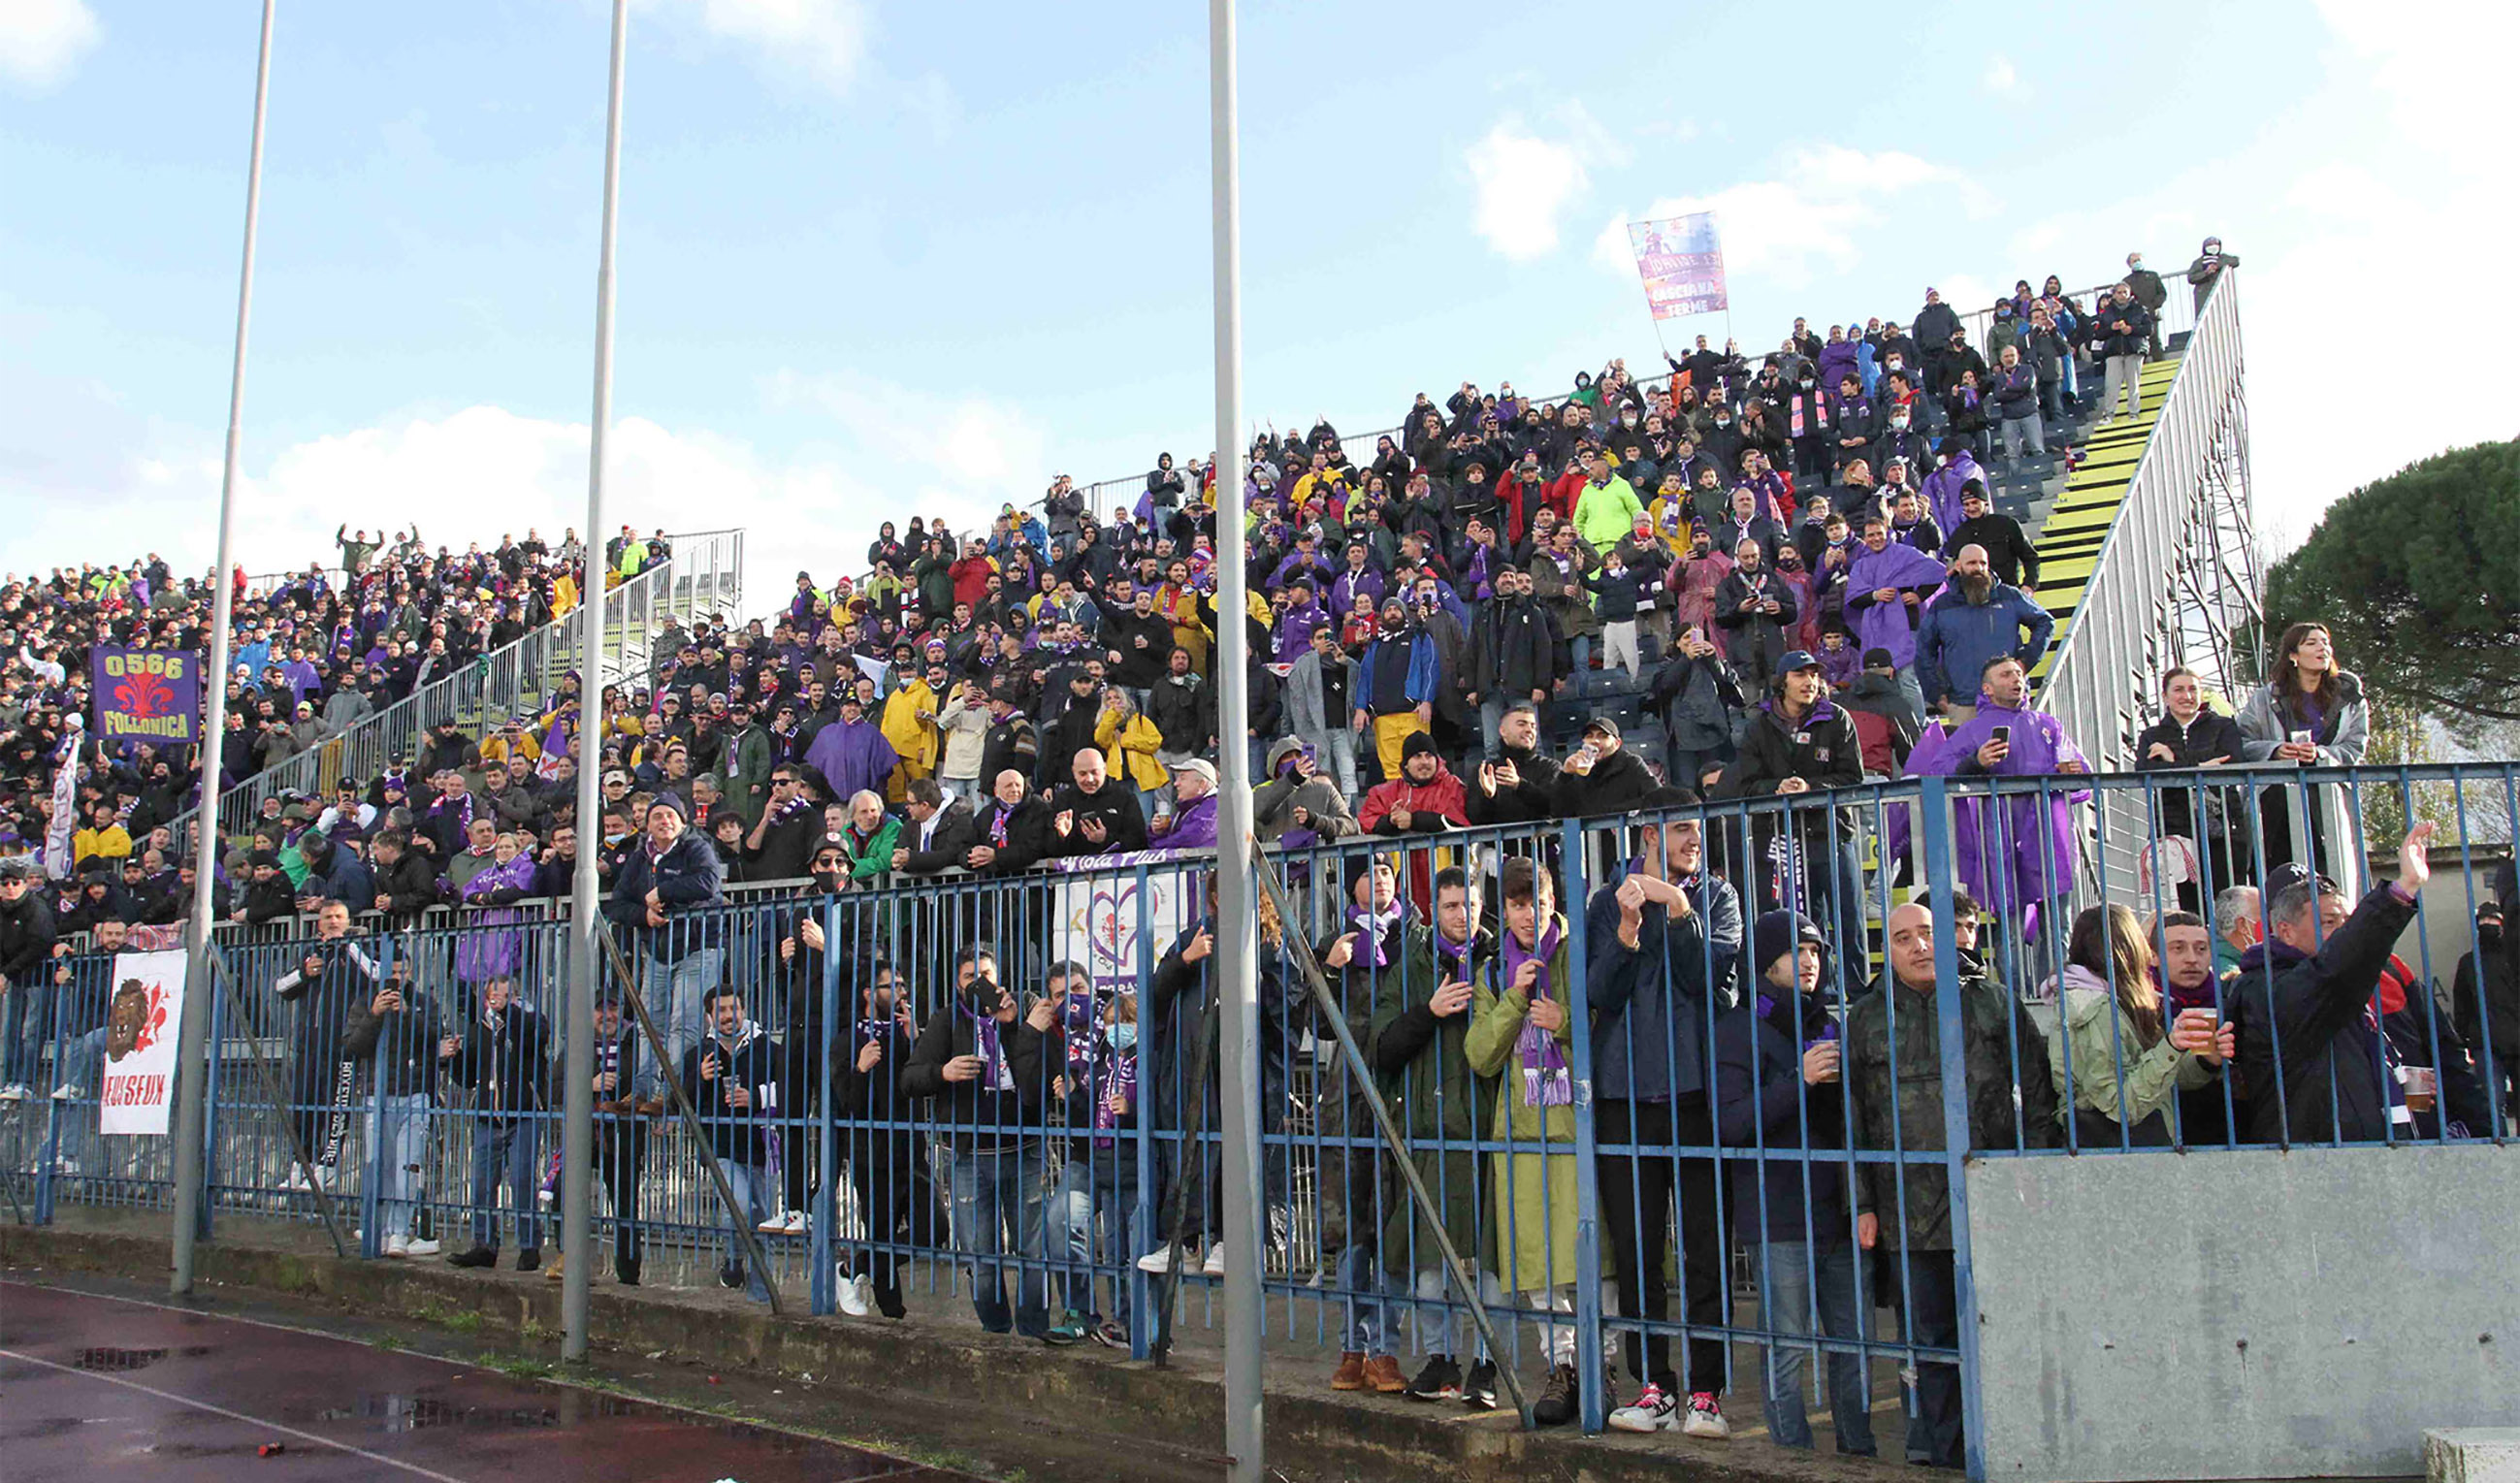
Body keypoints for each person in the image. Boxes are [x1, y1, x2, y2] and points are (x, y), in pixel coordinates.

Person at [1846, 902, 2058, 1470]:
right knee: (1931, 1344)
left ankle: (2014, 1449)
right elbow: (1854, 1116)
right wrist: (1863, 1203)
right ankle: (1945, 1457)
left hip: (1989, 1198)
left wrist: (2032, 1174)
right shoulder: (1866, 1017)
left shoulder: (1990, 1000)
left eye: (1927, 934)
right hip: (1905, 1209)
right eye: (1902, 938)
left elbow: (2037, 1094)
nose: (1918, 947)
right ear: (1886, 949)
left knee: (2002, 1329)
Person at [1587, 790, 1745, 1438]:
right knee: (1636, 1252)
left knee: (1705, 1249)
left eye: (1697, 829)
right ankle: (1653, 1384)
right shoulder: (1606, 902)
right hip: (1626, 1099)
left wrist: (1678, 910)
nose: (1693, 839)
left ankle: (1706, 1390)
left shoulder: (1717, 897)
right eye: (1682, 828)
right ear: (1648, 832)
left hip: (1699, 1097)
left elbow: (1712, 981)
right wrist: (1626, 932)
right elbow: (1599, 992)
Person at [1713, 912, 1874, 1457]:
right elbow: (1730, 1124)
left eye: (1817, 951)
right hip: (1778, 1213)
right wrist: (1797, 1080)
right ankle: (1791, 1457)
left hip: (1839, 1209)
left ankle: (1859, 1450)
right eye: (1797, 951)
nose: (1810, 961)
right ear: (1765, 961)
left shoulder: (1827, 1021)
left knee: (1854, 1344)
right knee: (1786, 1347)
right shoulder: (1738, 1028)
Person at [1463, 857, 1592, 1427]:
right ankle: (1562, 1369)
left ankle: (1601, 1371)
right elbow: (1479, 1055)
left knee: (1591, 1263)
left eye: (1535, 900)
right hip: (1519, 1134)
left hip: (1575, 1127)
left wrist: (1564, 1022)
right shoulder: (1493, 972)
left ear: (1550, 898)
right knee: (1538, 1267)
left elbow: (1609, 1028)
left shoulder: (1576, 951)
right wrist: (1516, 1000)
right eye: (1516, 904)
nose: (1526, 914)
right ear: (1503, 908)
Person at [1368, 866, 1502, 1407]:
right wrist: (1430, 1010)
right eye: (1449, 906)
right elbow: (1380, 1047)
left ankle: (1489, 1366)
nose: (1460, 916)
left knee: (1492, 1262)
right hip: (1428, 1130)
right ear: (1435, 908)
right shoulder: (1413, 965)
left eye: (1468, 905)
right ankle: (1441, 1358)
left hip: (1491, 1131)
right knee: (1429, 1263)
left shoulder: (1497, 960)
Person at [2230, 826, 2436, 1144]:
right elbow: (2332, 972)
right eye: (2329, 922)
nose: (2342, 931)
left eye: (2347, 922)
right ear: (2285, 931)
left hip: (2360, 1153)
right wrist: (2400, 891)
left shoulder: (2340, 981)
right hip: (2314, 1161)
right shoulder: (2268, 989)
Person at [901, 943, 1054, 1338]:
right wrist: (943, 1072)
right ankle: (996, 1329)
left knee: (1032, 1252)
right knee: (981, 1256)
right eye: (970, 977)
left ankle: (1035, 1332)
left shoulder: (1024, 1008)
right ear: (957, 984)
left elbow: (1043, 1077)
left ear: (998, 976)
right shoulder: (947, 1021)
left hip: (1024, 1149)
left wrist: (1016, 1026)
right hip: (968, 1156)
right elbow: (910, 1078)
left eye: (986, 975)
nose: (980, 983)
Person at [1715, 653, 1867, 996]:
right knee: (1806, 920)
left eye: (1814, 674)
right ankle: (1819, 993)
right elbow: (1745, 783)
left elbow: (1852, 778)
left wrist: (1810, 787)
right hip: (1786, 838)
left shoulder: (1837, 718)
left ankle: (1856, 993)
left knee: (1848, 913)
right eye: (1801, 674)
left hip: (1832, 831)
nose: (1809, 681)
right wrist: (1777, 788)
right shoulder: (1759, 725)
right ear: (1783, 681)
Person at [2039, 904, 2232, 1148]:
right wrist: (2171, 1047)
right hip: (2114, 1154)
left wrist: (2206, 1060)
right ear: (2127, 948)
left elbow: (2154, 1077)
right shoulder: (2092, 1010)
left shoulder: (2118, 1001)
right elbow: (2120, 1106)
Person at [602, 795, 726, 1081]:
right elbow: (617, 904)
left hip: (698, 946)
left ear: (683, 821)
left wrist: (663, 891)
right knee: (649, 1024)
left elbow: (709, 882)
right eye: (657, 816)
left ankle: (676, 1090)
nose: (664, 821)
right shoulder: (639, 858)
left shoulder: (696, 847)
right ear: (646, 825)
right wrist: (643, 916)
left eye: (670, 815)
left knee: (685, 1023)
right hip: (657, 951)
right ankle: (646, 1090)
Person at [2236, 622, 2369, 877]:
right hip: (2274, 803)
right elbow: (2242, 742)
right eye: (2311, 643)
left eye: (2325, 642)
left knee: (2330, 873)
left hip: (2329, 799)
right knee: (2276, 874)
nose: (2323, 648)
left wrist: (2321, 754)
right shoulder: (2266, 698)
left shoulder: (2351, 699)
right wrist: (2275, 750)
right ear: (2293, 656)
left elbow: (2355, 749)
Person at [339, 956, 451, 1259]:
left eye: (403, 972)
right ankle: (381, 1229)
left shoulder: (422, 1002)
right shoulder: (365, 1001)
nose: (398, 978)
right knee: (380, 1166)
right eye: (392, 972)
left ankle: (400, 1232)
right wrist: (375, 1014)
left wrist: (406, 1013)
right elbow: (353, 1047)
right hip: (378, 1096)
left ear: (411, 971)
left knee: (408, 1166)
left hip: (415, 1094)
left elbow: (435, 1038)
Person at [681, 983, 786, 1303]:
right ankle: (733, 1259)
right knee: (739, 1207)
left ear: (743, 1010)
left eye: (734, 1009)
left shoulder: (767, 1047)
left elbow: (790, 1090)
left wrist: (754, 1097)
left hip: (762, 1148)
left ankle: (759, 1293)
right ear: (710, 1016)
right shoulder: (698, 1053)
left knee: (764, 1220)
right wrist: (698, 1077)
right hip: (721, 1148)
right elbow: (680, 1101)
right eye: (722, 1010)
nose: (729, 1016)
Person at [444, 975, 551, 1271]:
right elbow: (466, 1079)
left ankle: (529, 1245)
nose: (498, 1001)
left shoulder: (528, 1022)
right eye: (494, 996)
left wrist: (508, 1013)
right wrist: (452, 1057)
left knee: (522, 1179)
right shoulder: (478, 1031)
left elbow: (541, 1034)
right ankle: (484, 1244)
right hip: (486, 1117)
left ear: (514, 997)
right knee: (481, 1183)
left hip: (524, 1114)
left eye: (504, 995)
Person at [2135, 667, 2253, 907]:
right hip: (2178, 831)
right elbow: (2146, 772)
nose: (2186, 696)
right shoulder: (2152, 735)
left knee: (2231, 903)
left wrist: (2173, 762)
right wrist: (2200, 766)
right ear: (2165, 696)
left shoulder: (2223, 726)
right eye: (2178, 689)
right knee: (2192, 906)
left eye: (2193, 689)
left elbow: (2233, 764)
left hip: (2224, 827)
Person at [1913, 546, 2052, 723]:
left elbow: (2045, 622)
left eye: (1983, 563)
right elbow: (1923, 652)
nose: (1978, 568)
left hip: (2010, 701)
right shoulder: (1941, 606)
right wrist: (1936, 694)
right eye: (1971, 563)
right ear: (1958, 566)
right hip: (1963, 704)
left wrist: (2025, 662)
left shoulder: (2009, 596)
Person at [2448, 877, 2516, 1132]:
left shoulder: (2514, 959)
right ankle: (2500, 1147)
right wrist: (2465, 1039)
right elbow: (2461, 1004)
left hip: (2509, 1040)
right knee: (2492, 1103)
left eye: (2494, 920)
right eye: (2484, 921)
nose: (2488, 925)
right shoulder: (2468, 963)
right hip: (2486, 1044)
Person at [1359, 731, 1469, 838]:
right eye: (1417, 756)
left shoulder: (1452, 786)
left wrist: (1414, 820)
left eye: (1429, 755)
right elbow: (1366, 821)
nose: (1424, 762)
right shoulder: (1384, 793)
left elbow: (1457, 821)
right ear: (1406, 764)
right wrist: (1391, 821)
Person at [1049, 747, 1149, 857]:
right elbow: (1049, 851)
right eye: (1082, 774)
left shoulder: (1124, 797)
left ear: (1105, 769)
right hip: (1076, 872)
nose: (1089, 779)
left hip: (1118, 871)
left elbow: (1140, 842)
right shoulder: (1063, 800)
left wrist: (1106, 838)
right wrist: (1062, 836)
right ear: (1074, 773)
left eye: (1094, 772)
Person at [1553, 716, 1656, 818]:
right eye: (1589, 736)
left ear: (1617, 743)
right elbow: (1558, 813)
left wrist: (1615, 812)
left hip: (1627, 832)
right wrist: (1564, 776)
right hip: (1587, 834)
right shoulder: (1576, 770)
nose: (1595, 741)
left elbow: (1657, 798)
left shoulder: (1631, 763)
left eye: (1602, 736)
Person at [2089, 281, 2153, 425]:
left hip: (2134, 349)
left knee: (2133, 384)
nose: (2122, 295)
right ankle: (2109, 414)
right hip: (2113, 351)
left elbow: (2149, 329)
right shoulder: (2107, 312)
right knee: (2111, 385)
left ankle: (2134, 412)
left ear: (2130, 293)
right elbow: (2098, 334)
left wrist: (2131, 329)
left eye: (2125, 292)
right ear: (2114, 294)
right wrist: (2111, 328)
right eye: (2119, 292)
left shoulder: (2139, 309)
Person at [2184, 235, 2238, 312]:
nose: (2213, 247)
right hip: (2204, 294)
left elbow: (2235, 261)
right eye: (2210, 245)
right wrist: (2206, 273)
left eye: (2215, 244)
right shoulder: (2199, 262)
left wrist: (2216, 266)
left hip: (2221, 294)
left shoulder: (2223, 257)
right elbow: (2191, 278)